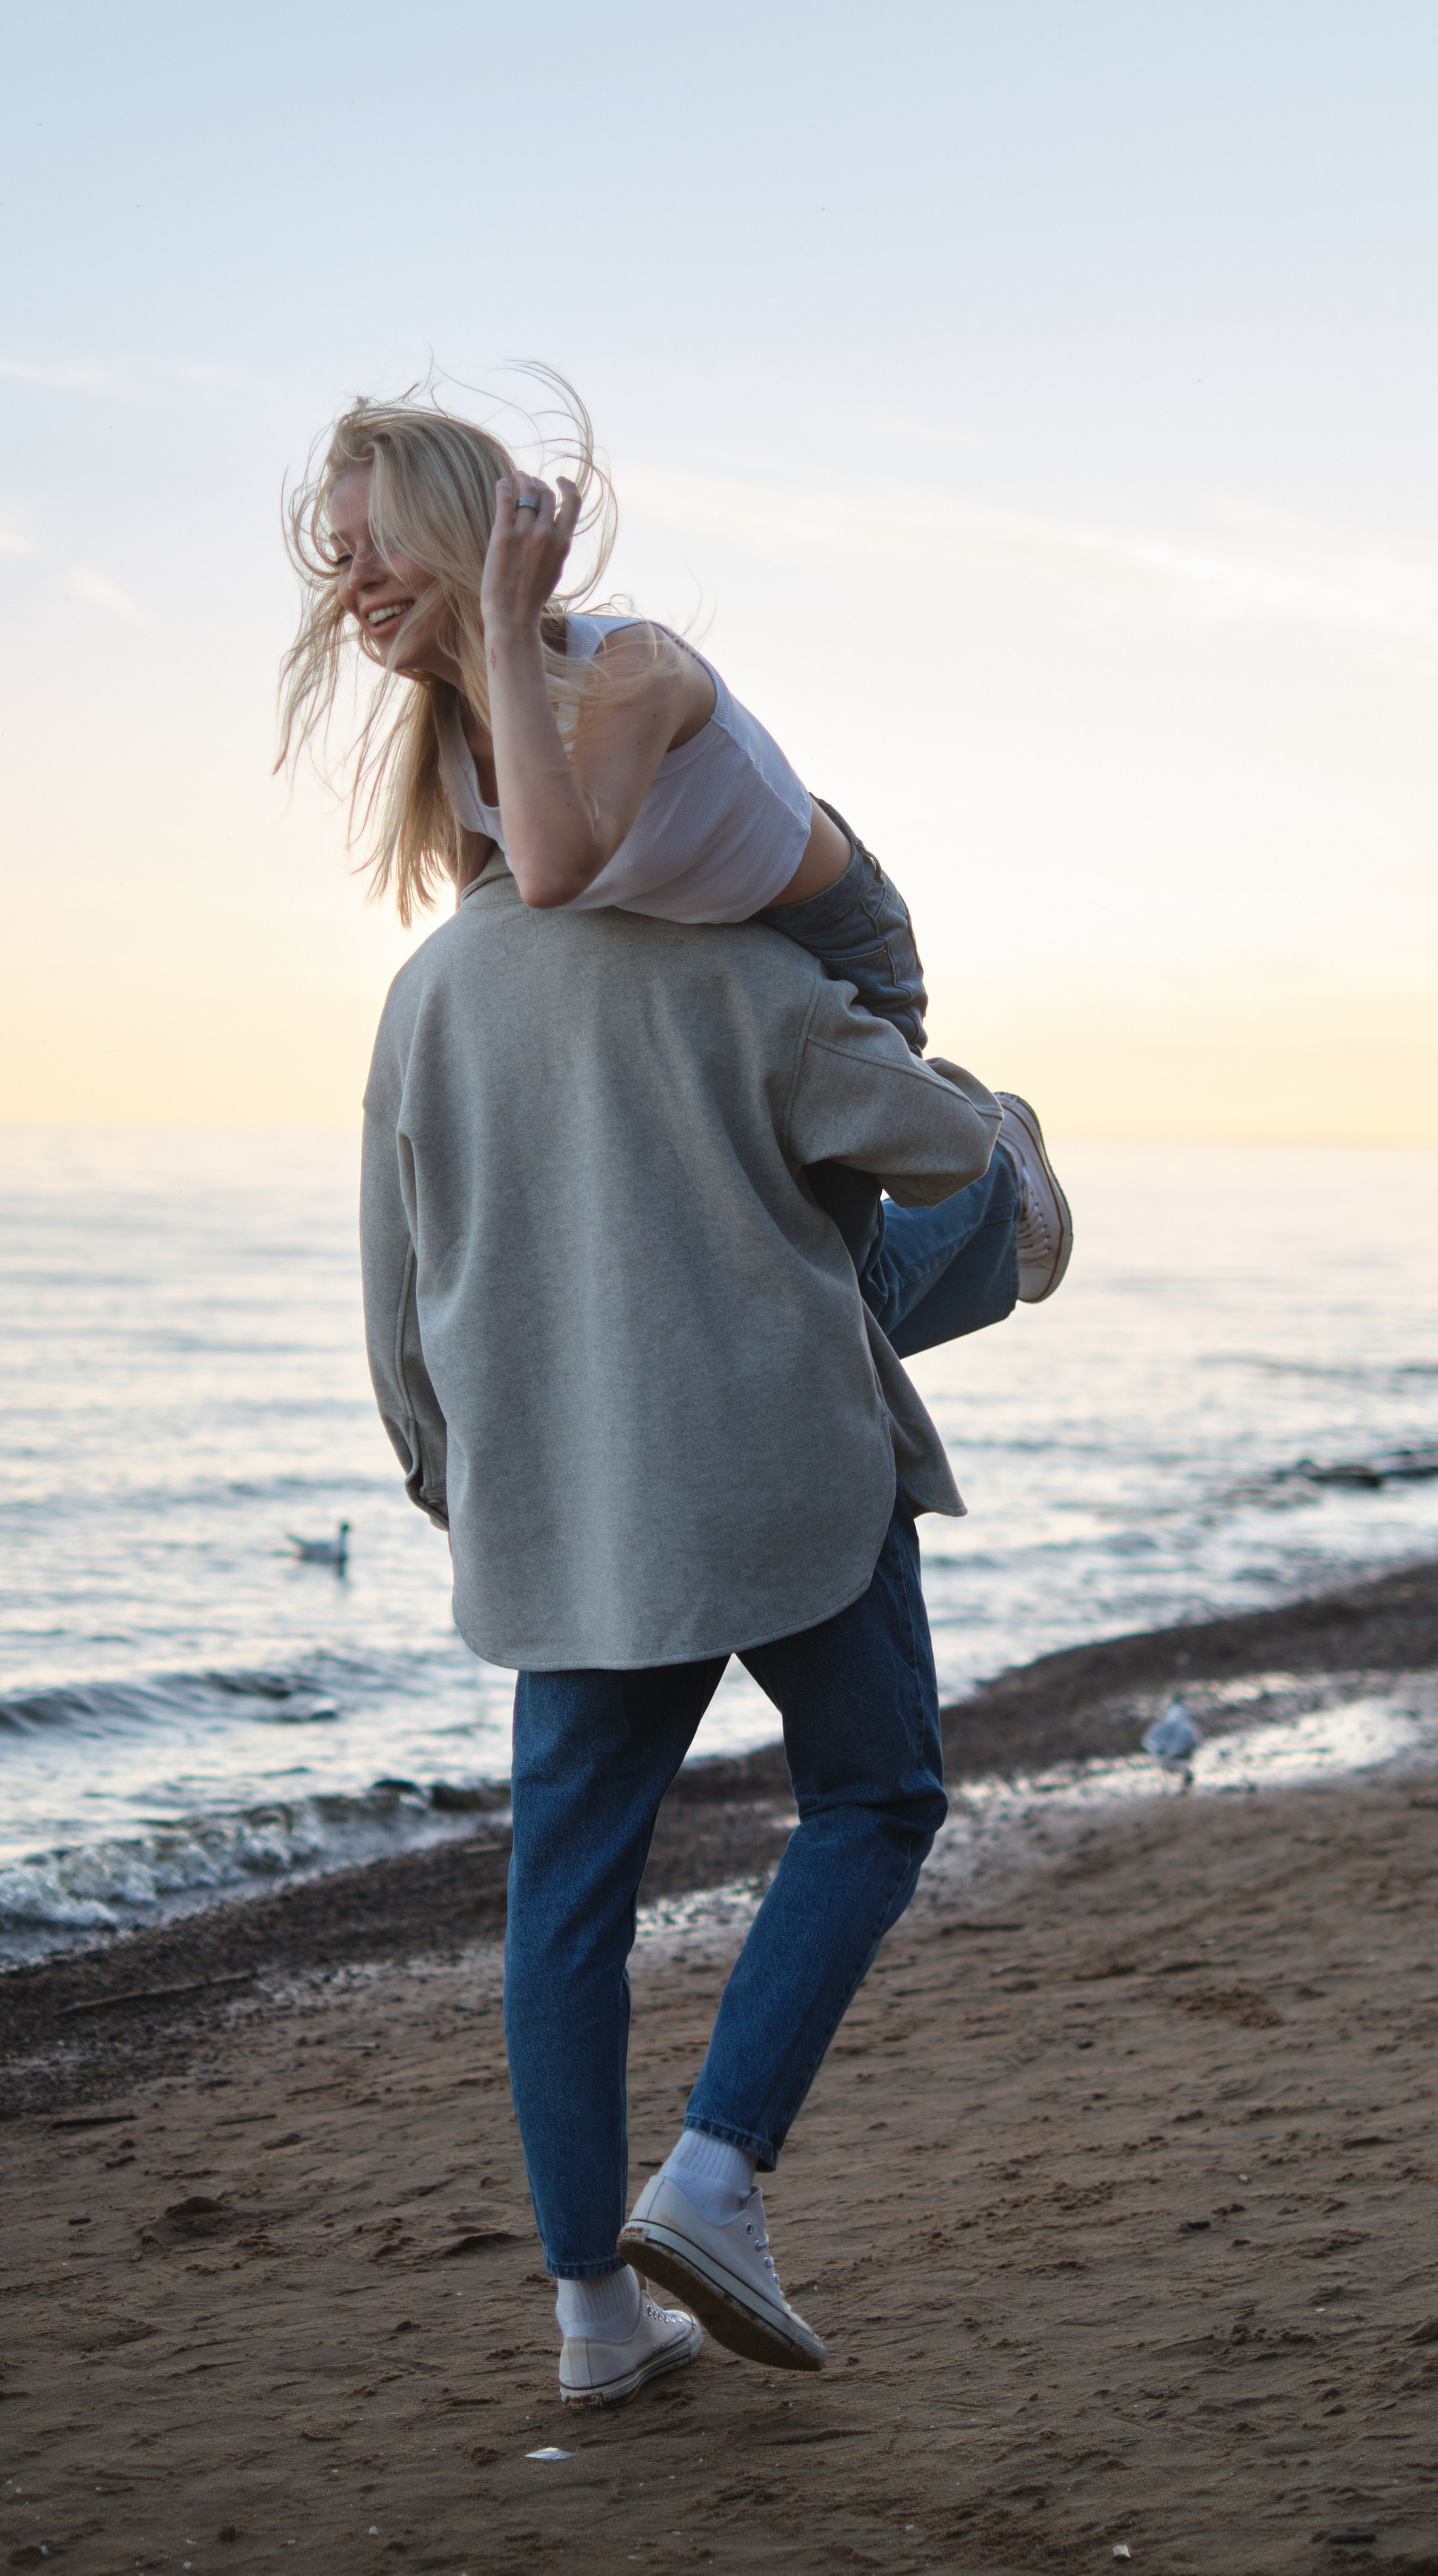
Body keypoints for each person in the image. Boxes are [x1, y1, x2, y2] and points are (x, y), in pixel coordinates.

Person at [359, 850, 1022, 2404]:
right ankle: (713, 2171)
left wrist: (460, 1485)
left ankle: (593, 2316)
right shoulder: (735, 961)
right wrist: (954, 1099)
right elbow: (935, 1144)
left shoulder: (427, 992)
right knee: (871, 1794)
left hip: (570, 1499)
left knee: (565, 1898)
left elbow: (398, 1301)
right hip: (781, 1469)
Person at [279, 376, 1073, 1320]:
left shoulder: (633, 670)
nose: (357, 581)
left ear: (472, 539)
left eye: (389, 545)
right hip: (684, 957)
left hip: (829, 945)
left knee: (832, 1308)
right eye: (342, 554)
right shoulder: (450, 734)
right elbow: (499, 941)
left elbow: (553, 872)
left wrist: (501, 625)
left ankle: (995, 1165)